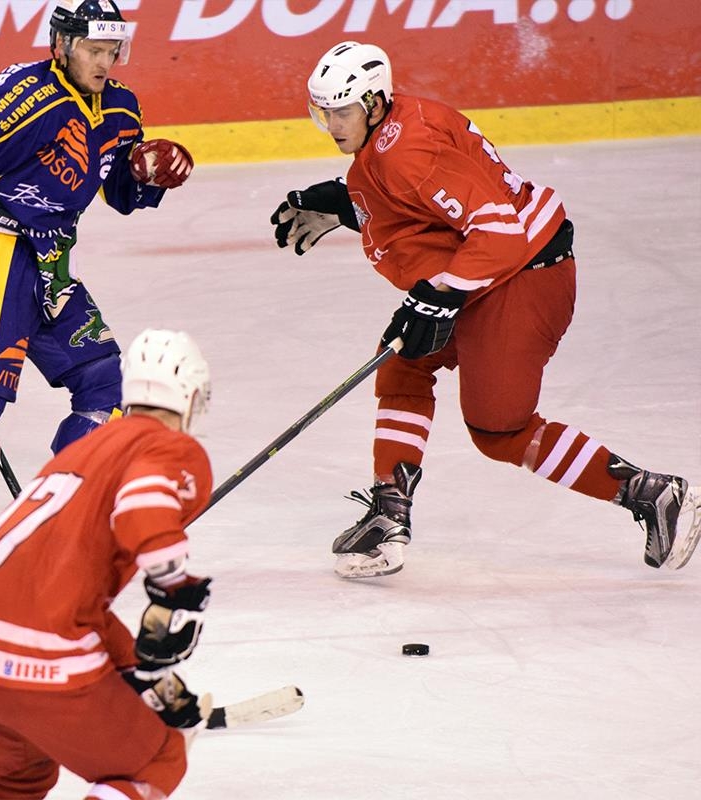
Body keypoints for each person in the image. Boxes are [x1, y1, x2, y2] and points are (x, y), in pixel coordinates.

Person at [270, 41, 700, 579]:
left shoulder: (409, 149)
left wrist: (438, 295)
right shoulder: (397, 130)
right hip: (490, 275)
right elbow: (430, 207)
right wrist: (350, 204)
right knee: (402, 361)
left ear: (375, 102)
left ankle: (652, 493)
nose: (331, 124)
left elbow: (498, 231)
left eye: (342, 111)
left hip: (523, 278)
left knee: (501, 431)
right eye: (322, 112)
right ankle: (388, 514)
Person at [0, 0, 194, 499]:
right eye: (93, 50)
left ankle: (61, 505)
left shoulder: (120, 108)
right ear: (63, 44)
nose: (104, 63)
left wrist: (145, 174)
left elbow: (120, 195)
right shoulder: (25, 97)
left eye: (112, 52)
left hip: (50, 263)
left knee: (103, 380)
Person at [0, 329, 214, 800]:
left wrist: (143, 677)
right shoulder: (167, 447)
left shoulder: (80, 453)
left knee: (16, 779)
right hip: (36, 657)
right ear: (191, 395)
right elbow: (142, 508)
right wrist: (175, 587)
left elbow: (75, 598)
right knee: (155, 762)